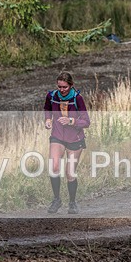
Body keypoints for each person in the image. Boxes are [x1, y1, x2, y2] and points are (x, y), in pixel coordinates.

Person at [43, 72, 90, 214]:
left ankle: (72, 202)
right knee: (54, 166)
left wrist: (72, 121)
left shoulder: (77, 99)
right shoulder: (52, 96)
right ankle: (57, 199)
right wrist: (48, 119)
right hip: (57, 135)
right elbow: (47, 109)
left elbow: (86, 122)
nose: (62, 90)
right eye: (59, 87)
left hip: (75, 138)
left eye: (65, 87)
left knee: (70, 173)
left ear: (71, 85)